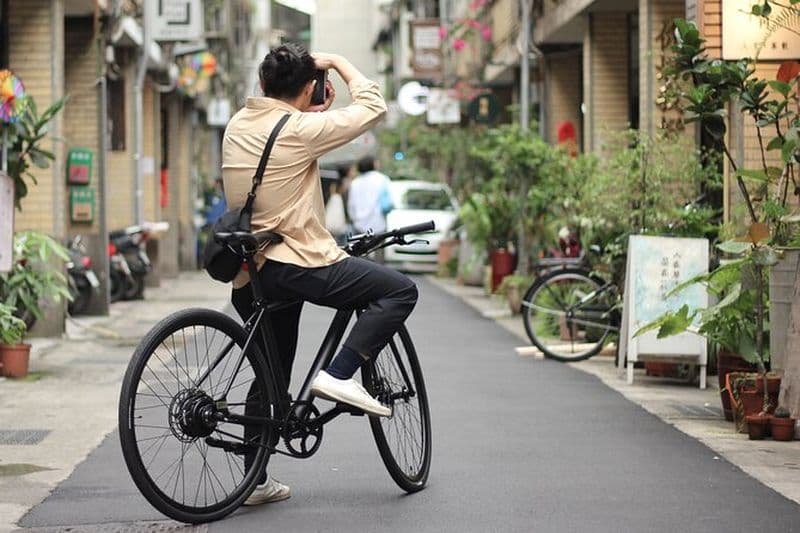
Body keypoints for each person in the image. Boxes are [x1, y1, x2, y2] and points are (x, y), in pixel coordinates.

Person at [222, 43, 418, 506]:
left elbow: (279, 142)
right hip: (297, 263)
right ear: (311, 87)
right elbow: (373, 106)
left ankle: (255, 478)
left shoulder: (236, 125)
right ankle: (340, 373)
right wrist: (337, 64)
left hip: (251, 271)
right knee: (399, 292)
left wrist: (307, 100)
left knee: (270, 375)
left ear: (264, 84)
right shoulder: (301, 129)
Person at [347, 155, 393, 235]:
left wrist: (354, 219)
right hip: (378, 225)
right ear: (373, 164)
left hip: (359, 226)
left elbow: (351, 205)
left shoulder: (355, 182)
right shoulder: (382, 179)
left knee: (360, 247)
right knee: (378, 247)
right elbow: (388, 203)